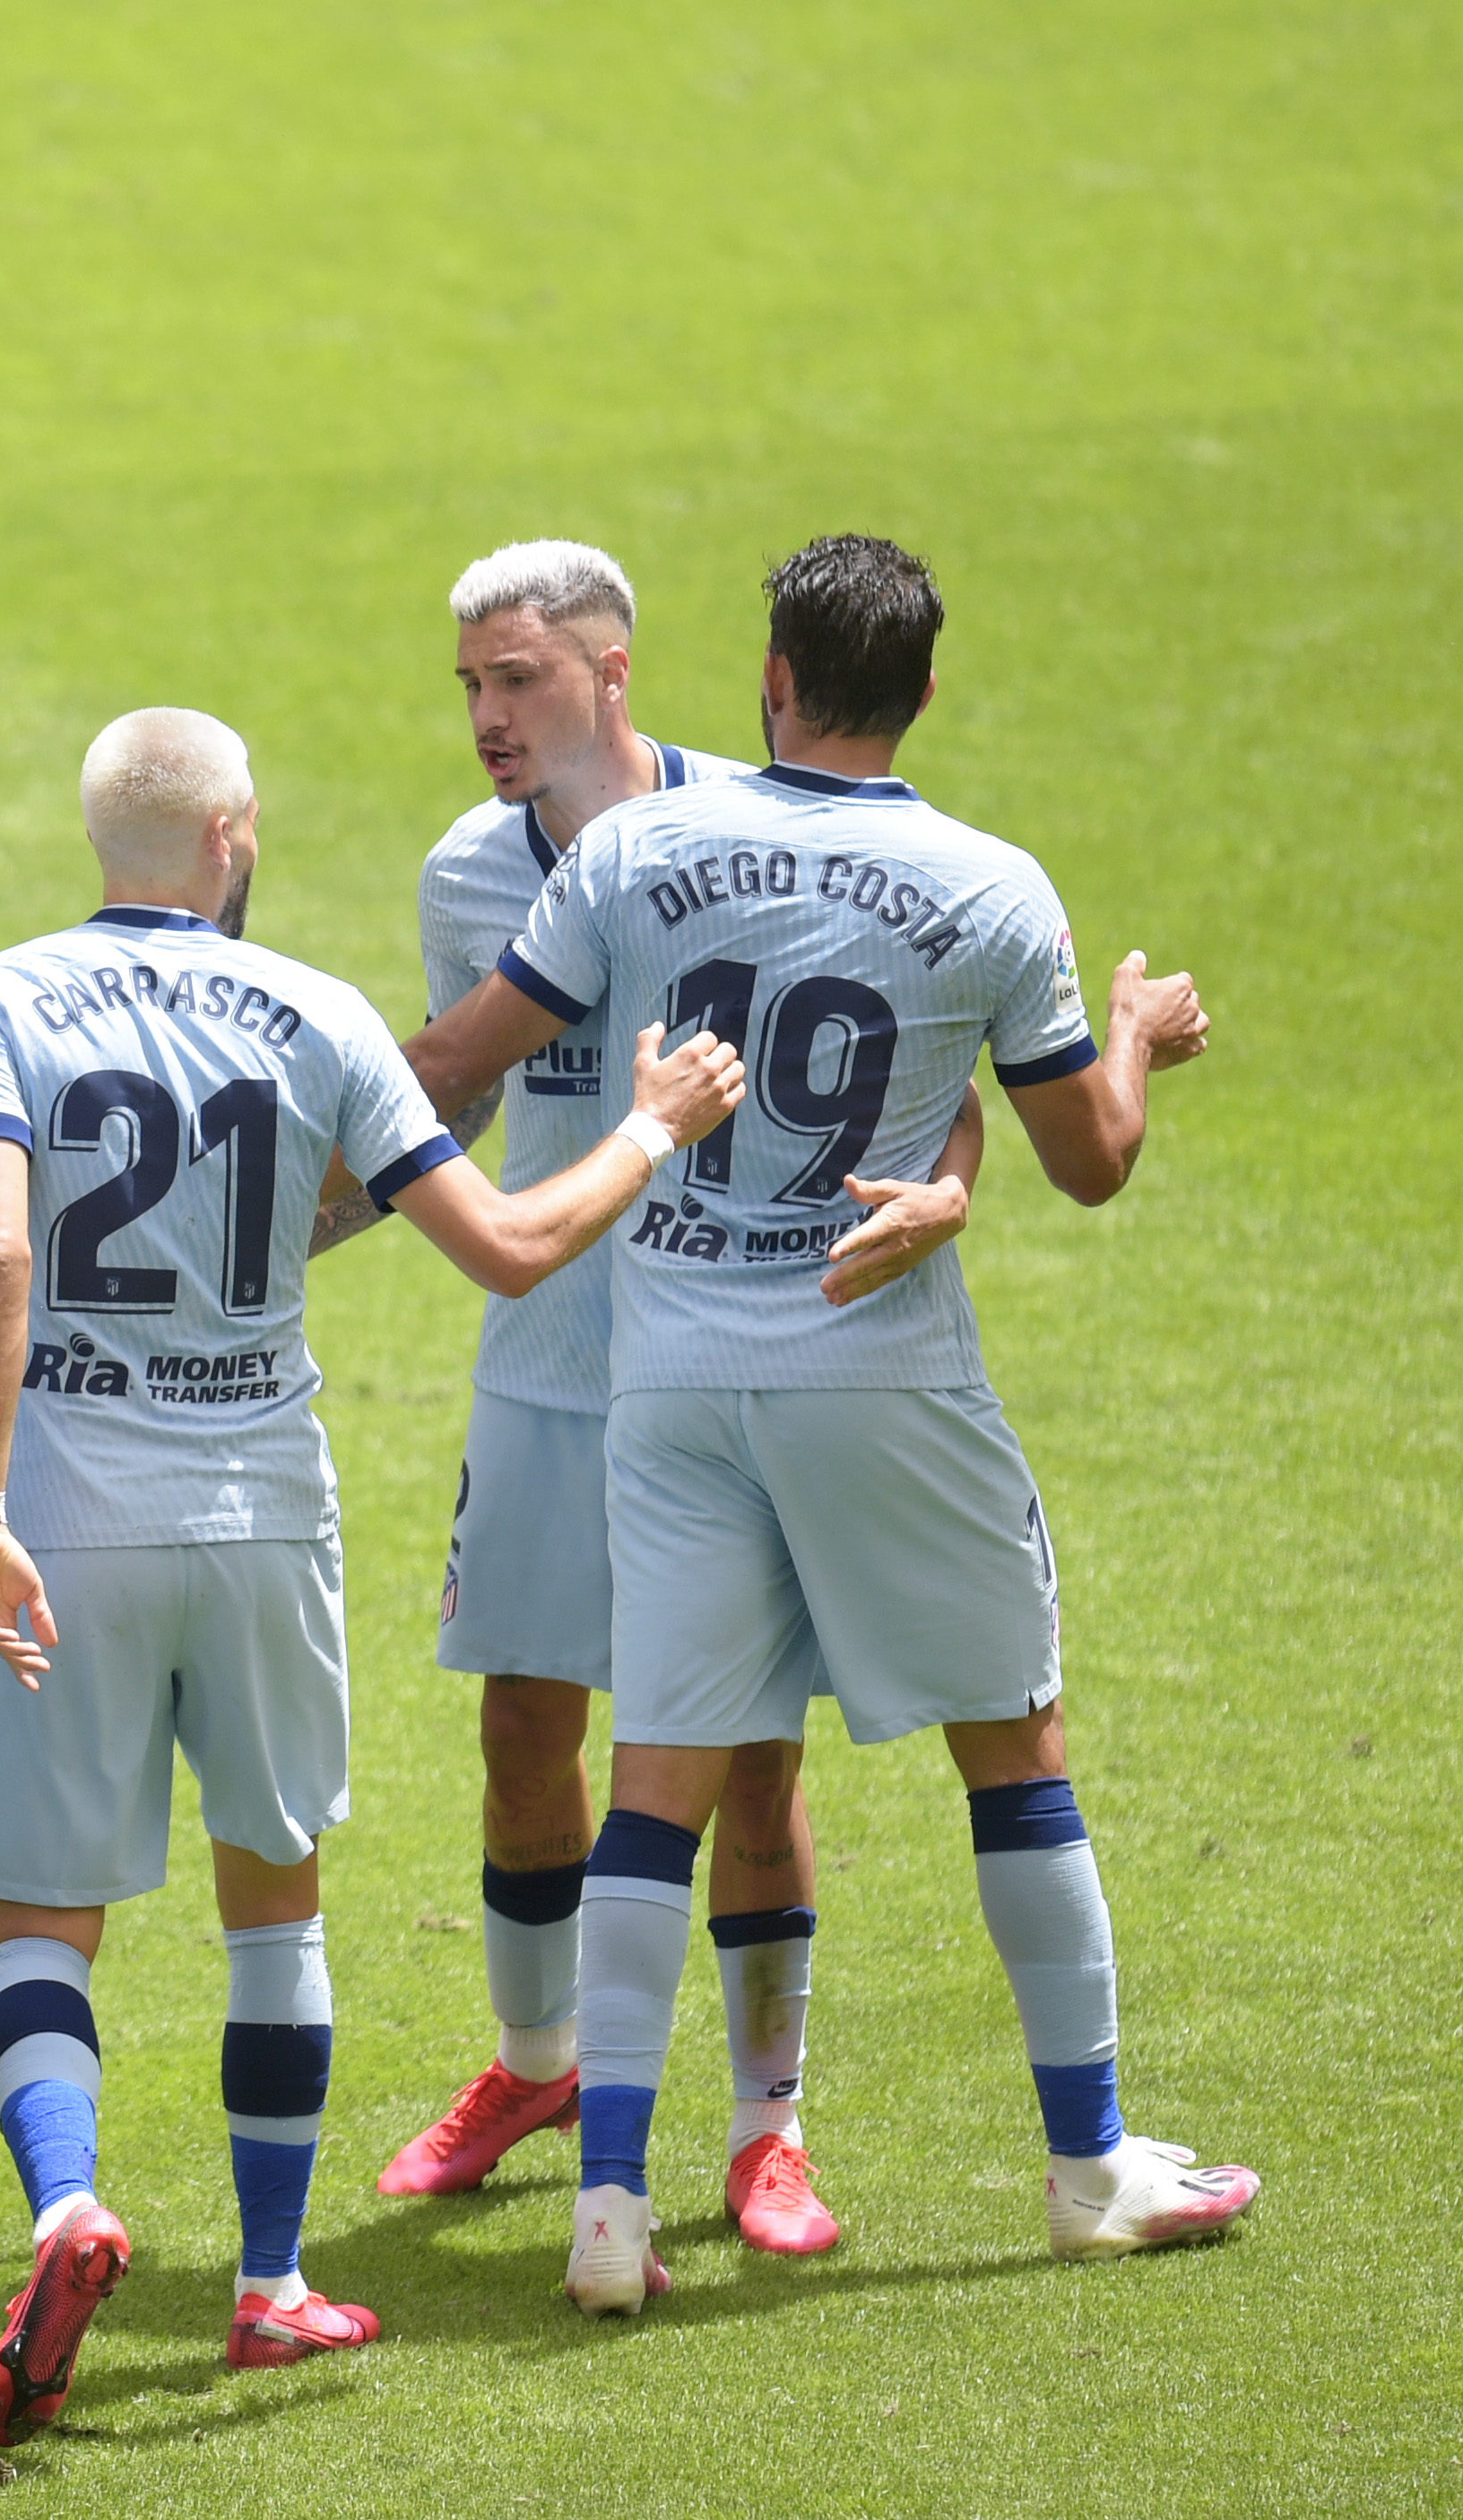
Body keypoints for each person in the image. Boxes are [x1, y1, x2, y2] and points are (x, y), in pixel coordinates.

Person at [404, 535, 1249, 2313]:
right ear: (923, 692)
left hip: (672, 1376)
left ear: (767, 677)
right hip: (882, 1377)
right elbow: (1087, 1165)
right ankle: (1089, 2161)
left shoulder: (634, 847)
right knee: (1014, 1749)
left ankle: (612, 2212)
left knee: (654, 1781)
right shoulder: (995, 884)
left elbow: (464, 1053)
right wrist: (1141, 1042)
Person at [0, 712, 746, 2443]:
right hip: (258, 1510)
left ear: (103, 839)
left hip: (73, 1500)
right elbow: (513, 1249)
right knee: (273, 1894)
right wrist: (656, 1120)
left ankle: (70, 2206)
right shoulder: (314, 1008)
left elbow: (1, 1244)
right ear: (231, 834)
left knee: (40, 1918)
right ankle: (270, 2283)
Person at [365, 542, 987, 2257]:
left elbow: (914, 1047)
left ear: (614, 667)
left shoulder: (753, 826)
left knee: (751, 1762)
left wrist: (950, 1180)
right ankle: (537, 2062)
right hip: (550, 1368)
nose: (491, 717)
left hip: (729, 1359)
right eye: (472, 684)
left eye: (521, 679)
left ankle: (766, 2129)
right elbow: (454, 1099)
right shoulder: (465, 869)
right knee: (521, 1729)